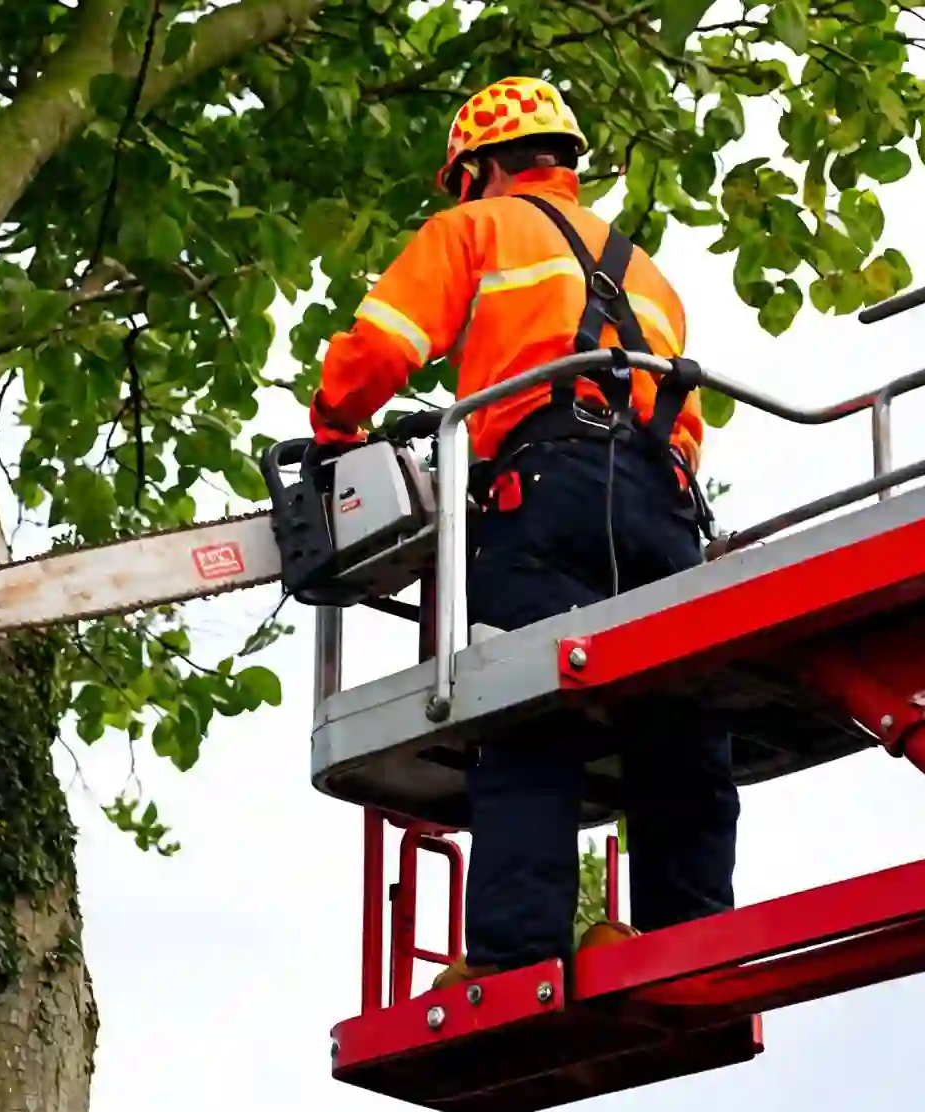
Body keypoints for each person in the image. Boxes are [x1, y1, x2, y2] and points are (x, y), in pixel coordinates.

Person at [305, 77, 740, 989]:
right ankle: (687, 944)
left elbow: (383, 346)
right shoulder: (647, 271)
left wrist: (336, 430)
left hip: (540, 491)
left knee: (526, 711)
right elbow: (688, 423)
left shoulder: (475, 229)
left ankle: (513, 959)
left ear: (484, 167)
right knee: (677, 722)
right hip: (666, 504)